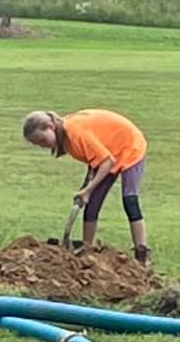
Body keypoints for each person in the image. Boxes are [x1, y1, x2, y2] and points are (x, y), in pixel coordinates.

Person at [22, 108, 151, 265]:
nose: (44, 146)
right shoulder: (65, 137)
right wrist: (86, 190)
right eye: (39, 145)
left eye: (42, 141)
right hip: (108, 152)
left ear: (50, 126)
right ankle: (86, 252)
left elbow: (107, 162)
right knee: (91, 205)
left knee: (129, 200)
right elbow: (95, 159)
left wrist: (88, 189)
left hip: (129, 145)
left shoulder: (75, 133)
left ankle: (142, 254)